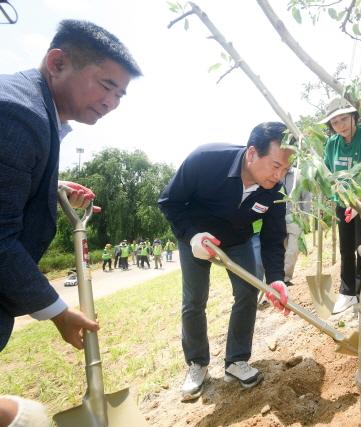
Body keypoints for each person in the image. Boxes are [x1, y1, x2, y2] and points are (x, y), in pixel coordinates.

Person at [0, 19, 141, 425]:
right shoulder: (17, 114)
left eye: (121, 94)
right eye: (106, 85)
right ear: (58, 63)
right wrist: (59, 311)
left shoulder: (36, 113)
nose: (112, 101)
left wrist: (49, 185)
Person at [158, 122, 293, 401]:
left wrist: (276, 278)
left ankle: (236, 361)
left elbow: (273, 237)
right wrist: (192, 236)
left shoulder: (276, 192)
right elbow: (169, 202)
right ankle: (197, 364)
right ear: (252, 153)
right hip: (195, 238)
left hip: (238, 239)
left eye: (285, 170)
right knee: (195, 299)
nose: (279, 177)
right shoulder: (206, 160)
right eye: (275, 166)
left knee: (247, 291)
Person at [321, 97, 361, 314]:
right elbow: (328, 172)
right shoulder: (332, 144)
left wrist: (360, 203)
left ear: (353, 117)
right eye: (335, 122)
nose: (341, 126)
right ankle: (348, 293)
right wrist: (338, 197)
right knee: (346, 249)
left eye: (344, 119)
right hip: (342, 202)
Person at [281, 167, 311, 285]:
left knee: (293, 250)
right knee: (279, 250)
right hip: (277, 219)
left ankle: (286, 278)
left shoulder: (299, 174)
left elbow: (306, 197)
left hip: (295, 218)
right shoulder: (276, 171)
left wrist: (305, 217)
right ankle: (277, 277)